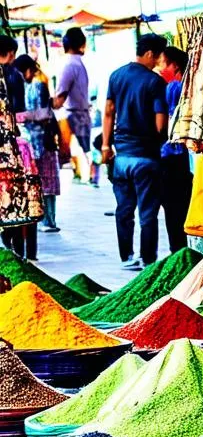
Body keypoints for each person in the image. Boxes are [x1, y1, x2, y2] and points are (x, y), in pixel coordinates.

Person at [102, 33, 168, 269]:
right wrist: (159, 140)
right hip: (146, 157)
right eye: (158, 57)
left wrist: (106, 145)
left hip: (122, 157)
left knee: (124, 209)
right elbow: (160, 121)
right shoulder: (155, 82)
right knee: (148, 212)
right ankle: (148, 259)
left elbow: (109, 111)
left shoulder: (116, 76)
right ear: (150, 53)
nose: (158, 62)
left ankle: (126, 257)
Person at [0, 35, 36, 259]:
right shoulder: (13, 75)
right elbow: (19, 114)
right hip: (11, 153)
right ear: (11, 53)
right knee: (16, 207)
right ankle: (19, 254)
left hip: (9, 152)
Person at [14, 56, 60, 233]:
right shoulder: (38, 87)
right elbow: (45, 114)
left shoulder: (11, 89)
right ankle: (48, 221)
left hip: (24, 145)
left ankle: (34, 219)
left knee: (32, 181)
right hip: (42, 143)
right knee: (47, 182)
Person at [157, 45, 190, 251]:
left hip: (172, 156)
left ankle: (177, 249)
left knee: (173, 208)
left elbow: (167, 124)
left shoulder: (174, 88)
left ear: (174, 65)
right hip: (185, 157)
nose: (160, 68)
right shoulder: (187, 86)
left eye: (163, 63)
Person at [52, 27, 91, 179]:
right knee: (86, 154)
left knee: (81, 155)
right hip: (81, 114)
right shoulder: (79, 63)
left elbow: (59, 99)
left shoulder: (68, 64)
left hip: (72, 116)